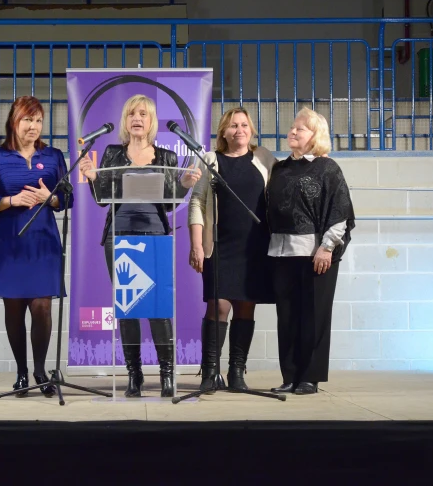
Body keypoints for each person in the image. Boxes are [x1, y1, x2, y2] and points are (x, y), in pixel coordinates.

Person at [78, 94, 187, 398]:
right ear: (125, 122)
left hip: (155, 236)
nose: (137, 119)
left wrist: (185, 186)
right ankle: (134, 375)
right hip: (119, 235)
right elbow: (103, 200)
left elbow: (167, 205)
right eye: (131, 114)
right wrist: (91, 178)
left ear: (151, 121)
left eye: (143, 114)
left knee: (158, 308)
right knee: (127, 309)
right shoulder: (112, 153)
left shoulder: (166, 157)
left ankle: (167, 375)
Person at [0, 96, 71, 398]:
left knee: (42, 306)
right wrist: (11, 200)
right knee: (14, 308)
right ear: (14, 122)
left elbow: (68, 199)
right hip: (8, 240)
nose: (33, 126)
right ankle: (20, 372)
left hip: (43, 240)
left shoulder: (54, 156)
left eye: (38, 120)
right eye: (27, 120)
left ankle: (41, 372)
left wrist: (52, 198)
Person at [182, 107, 276, 392]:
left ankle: (237, 372)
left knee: (246, 307)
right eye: (233, 125)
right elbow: (197, 202)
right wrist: (196, 245)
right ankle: (210, 371)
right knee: (218, 304)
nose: (239, 130)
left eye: (244, 125)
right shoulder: (211, 160)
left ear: (252, 130)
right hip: (219, 246)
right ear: (223, 131)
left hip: (255, 247)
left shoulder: (264, 158)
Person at [266, 107, 355, 395]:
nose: (293, 131)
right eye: (292, 127)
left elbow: (340, 211)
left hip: (315, 253)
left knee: (313, 316)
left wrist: (327, 248)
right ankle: (290, 375)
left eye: (300, 129)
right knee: (287, 317)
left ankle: (309, 377)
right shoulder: (279, 168)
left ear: (315, 136)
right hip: (281, 252)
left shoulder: (327, 168)